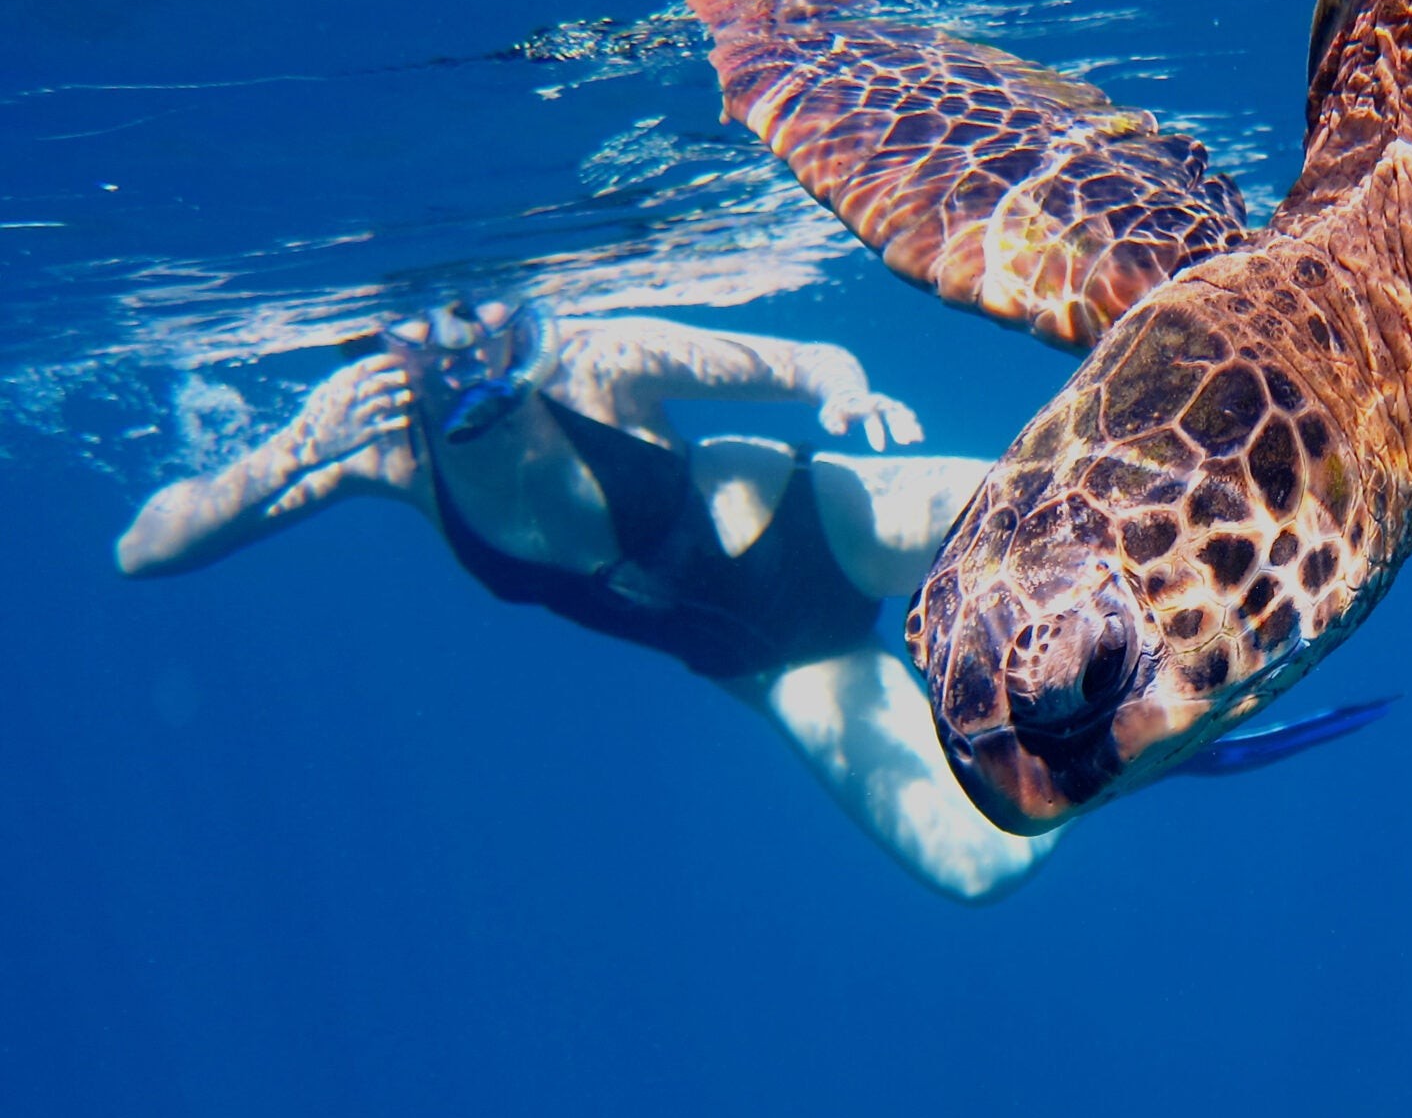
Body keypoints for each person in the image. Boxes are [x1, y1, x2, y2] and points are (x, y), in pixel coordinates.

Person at [118, 299, 1054, 898]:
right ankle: (1108, 743)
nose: (458, 345)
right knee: (985, 867)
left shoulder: (595, 361)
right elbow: (145, 551)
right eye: (419, 326)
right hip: (778, 660)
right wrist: (288, 452)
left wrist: (845, 394)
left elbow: (807, 360)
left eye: (474, 309)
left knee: (1064, 526)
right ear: (379, 340)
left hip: (838, 524)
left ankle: (1130, 681)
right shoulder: (384, 456)